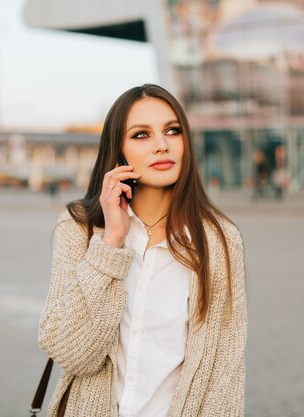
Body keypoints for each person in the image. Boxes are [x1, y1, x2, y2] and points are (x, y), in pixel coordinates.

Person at [38, 84, 247, 417]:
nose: (161, 145)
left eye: (172, 131)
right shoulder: (80, 227)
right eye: (141, 135)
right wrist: (111, 244)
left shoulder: (219, 241)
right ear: (118, 151)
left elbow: (225, 374)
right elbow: (72, 352)